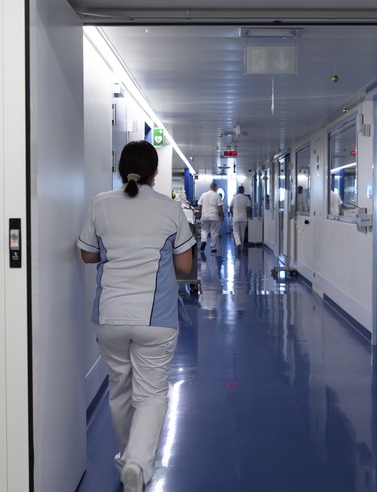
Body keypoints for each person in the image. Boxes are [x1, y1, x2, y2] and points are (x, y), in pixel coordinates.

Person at [77, 140, 195, 492]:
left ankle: (127, 458)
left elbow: (86, 255)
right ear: (155, 172)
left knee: (120, 390)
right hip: (155, 319)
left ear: (120, 168)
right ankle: (137, 464)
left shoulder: (100, 204)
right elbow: (185, 265)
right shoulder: (169, 210)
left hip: (110, 316)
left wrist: (116, 252)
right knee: (152, 393)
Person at [197, 182, 224, 254]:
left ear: (210, 187)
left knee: (204, 230)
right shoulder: (217, 196)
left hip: (204, 216)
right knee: (214, 231)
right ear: (215, 187)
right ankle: (213, 248)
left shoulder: (203, 195)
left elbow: (200, 206)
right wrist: (222, 215)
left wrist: (200, 214)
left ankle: (203, 241)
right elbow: (219, 207)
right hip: (214, 216)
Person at [230, 185, 252, 250]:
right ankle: (241, 247)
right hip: (243, 217)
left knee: (236, 231)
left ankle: (238, 243)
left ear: (237, 190)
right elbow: (248, 209)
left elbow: (230, 207)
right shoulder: (246, 198)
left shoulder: (234, 198)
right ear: (243, 191)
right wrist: (247, 216)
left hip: (236, 217)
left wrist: (232, 214)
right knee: (242, 232)